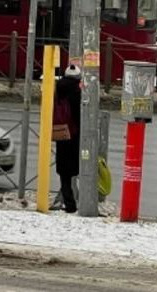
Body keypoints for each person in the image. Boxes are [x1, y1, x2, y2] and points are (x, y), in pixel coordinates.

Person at [54, 64, 83, 213]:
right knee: (81, 167)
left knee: (64, 172)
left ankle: (69, 203)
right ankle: (84, 201)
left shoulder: (57, 89)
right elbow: (80, 115)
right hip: (75, 134)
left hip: (61, 133)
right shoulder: (78, 93)